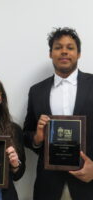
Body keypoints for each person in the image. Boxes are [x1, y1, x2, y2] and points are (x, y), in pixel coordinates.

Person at [23, 27, 93, 200]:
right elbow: (26, 134)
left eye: (70, 47)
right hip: (48, 185)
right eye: (58, 47)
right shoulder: (37, 91)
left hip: (88, 184)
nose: (64, 52)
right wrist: (37, 139)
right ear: (50, 53)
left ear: (79, 54)